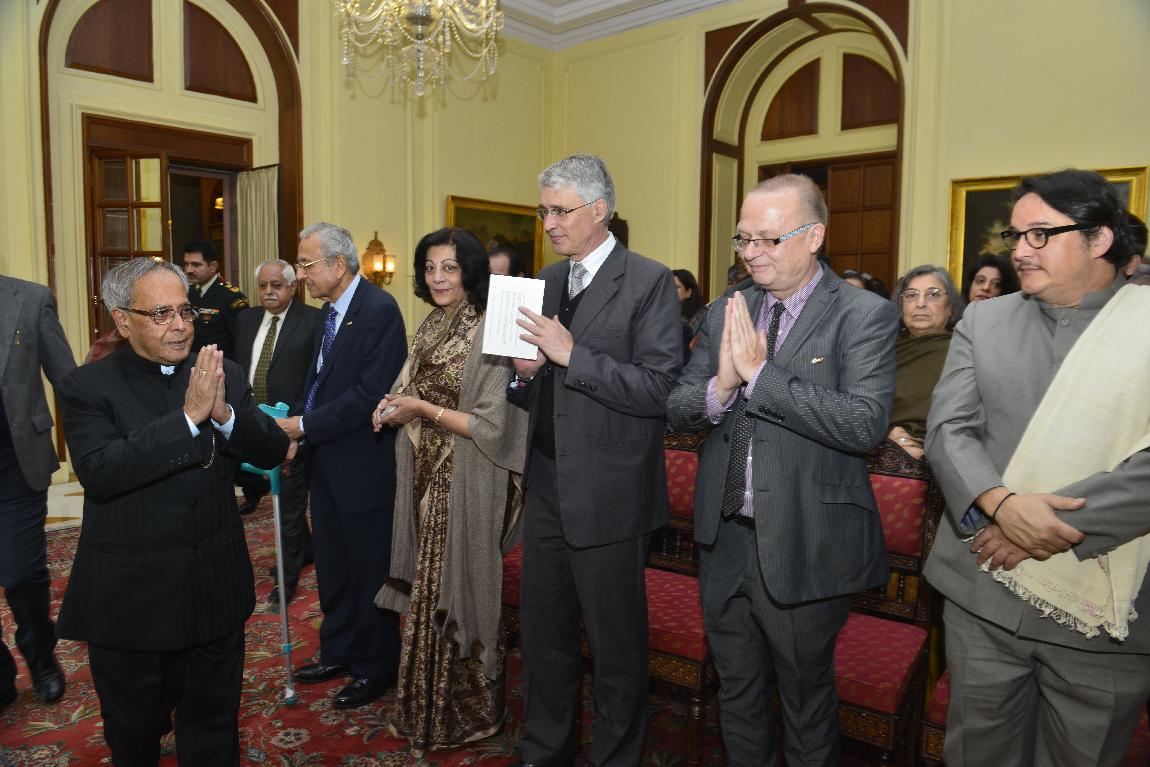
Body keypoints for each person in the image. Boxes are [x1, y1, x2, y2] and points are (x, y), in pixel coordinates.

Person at [666, 173, 898, 766]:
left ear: (814, 236)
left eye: (768, 240)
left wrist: (762, 378)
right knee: (737, 691)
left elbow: (864, 423)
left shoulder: (862, 314)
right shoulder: (727, 310)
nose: (751, 253)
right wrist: (722, 384)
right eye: (743, 239)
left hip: (805, 537)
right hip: (725, 538)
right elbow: (679, 406)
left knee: (804, 697)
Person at [925, 169, 1150, 766]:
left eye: (1041, 235)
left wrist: (1045, 526)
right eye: (1016, 235)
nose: (1020, 251)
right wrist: (1000, 505)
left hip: (1105, 612)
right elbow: (949, 429)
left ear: (1099, 238)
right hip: (983, 592)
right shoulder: (986, 321)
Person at [56, 257, 289, 764]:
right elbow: (100, 471)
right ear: (123, 321)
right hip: (132, 602)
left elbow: (272, 451)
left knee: (213, 735)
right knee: (134, 736)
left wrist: (224, 414)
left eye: (185, 311)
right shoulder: (87, 386)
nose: (180, 325)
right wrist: (188, 418)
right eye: (161, 314)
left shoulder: (223, 373)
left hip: (214, 589)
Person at [509, 154, 682, 767]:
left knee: (615, 648)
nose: (549, 223)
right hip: (546, 484)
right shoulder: (547, 279)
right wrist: (523, 375)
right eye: (544, 211)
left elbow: (661, 389)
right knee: (544, 634)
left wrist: (571, 355)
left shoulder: (649, 281)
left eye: (560, 210)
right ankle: (545, 750)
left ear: (600, 210)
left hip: (611, 493)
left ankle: (615, 757)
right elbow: (534, 387)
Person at [373, 227, 529, 755]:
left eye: (450, 267)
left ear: (471, 272)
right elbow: (409, 384)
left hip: (470, 476)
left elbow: (494, 423)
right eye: (430, 267)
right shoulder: (432, 323)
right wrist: (390, 404)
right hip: (426, 472)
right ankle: (424, 704)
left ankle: (466, 710)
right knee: (427, 588)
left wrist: (420, 409)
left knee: (454, 585)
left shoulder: (493, 325)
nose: (437, 278)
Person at [274, 222, 408, 709]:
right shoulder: (327, 314)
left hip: (364, 464)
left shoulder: (379, 310)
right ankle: (339, 651)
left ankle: (375, 666)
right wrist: (298, 433)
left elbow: (370, 394)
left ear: (337, 263)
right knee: (332, 565)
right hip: (326, 462)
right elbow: (316, 385)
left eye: (306, 264)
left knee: (368, 569)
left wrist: (303, 425)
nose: (300, 274)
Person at [0, 275, 75, 714]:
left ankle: (40, 654)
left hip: (16, 463)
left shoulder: (29, 299)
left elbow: (66, 378)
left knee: (21, 573)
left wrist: (93, 446)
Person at [233, 258, 321, 608]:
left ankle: (285, 584)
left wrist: (299, 425)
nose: (268, 292)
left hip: (291, 427)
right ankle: (307, 550)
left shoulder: (312, 321)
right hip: (252, 424)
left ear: (292, 287)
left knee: (288, 506)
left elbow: (316, 378)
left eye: (276, 285)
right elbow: (238, 370)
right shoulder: (246, 319)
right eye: (263, 286)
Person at [886, 265, 964, 460]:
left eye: (933, 294)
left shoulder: (963, 351)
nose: (920, 303)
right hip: (874, 452)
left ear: (950, 307)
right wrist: (887, 434)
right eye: (911, 295)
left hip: (940, 457)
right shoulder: (881, 349)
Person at [183, 240, 249, 360]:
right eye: (186, 264)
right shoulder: (186, 293)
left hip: (220, 365)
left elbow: (241, 343)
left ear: (212, 266)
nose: (189, 270)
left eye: (196, 265)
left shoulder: (231, 297)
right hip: (190, 363)